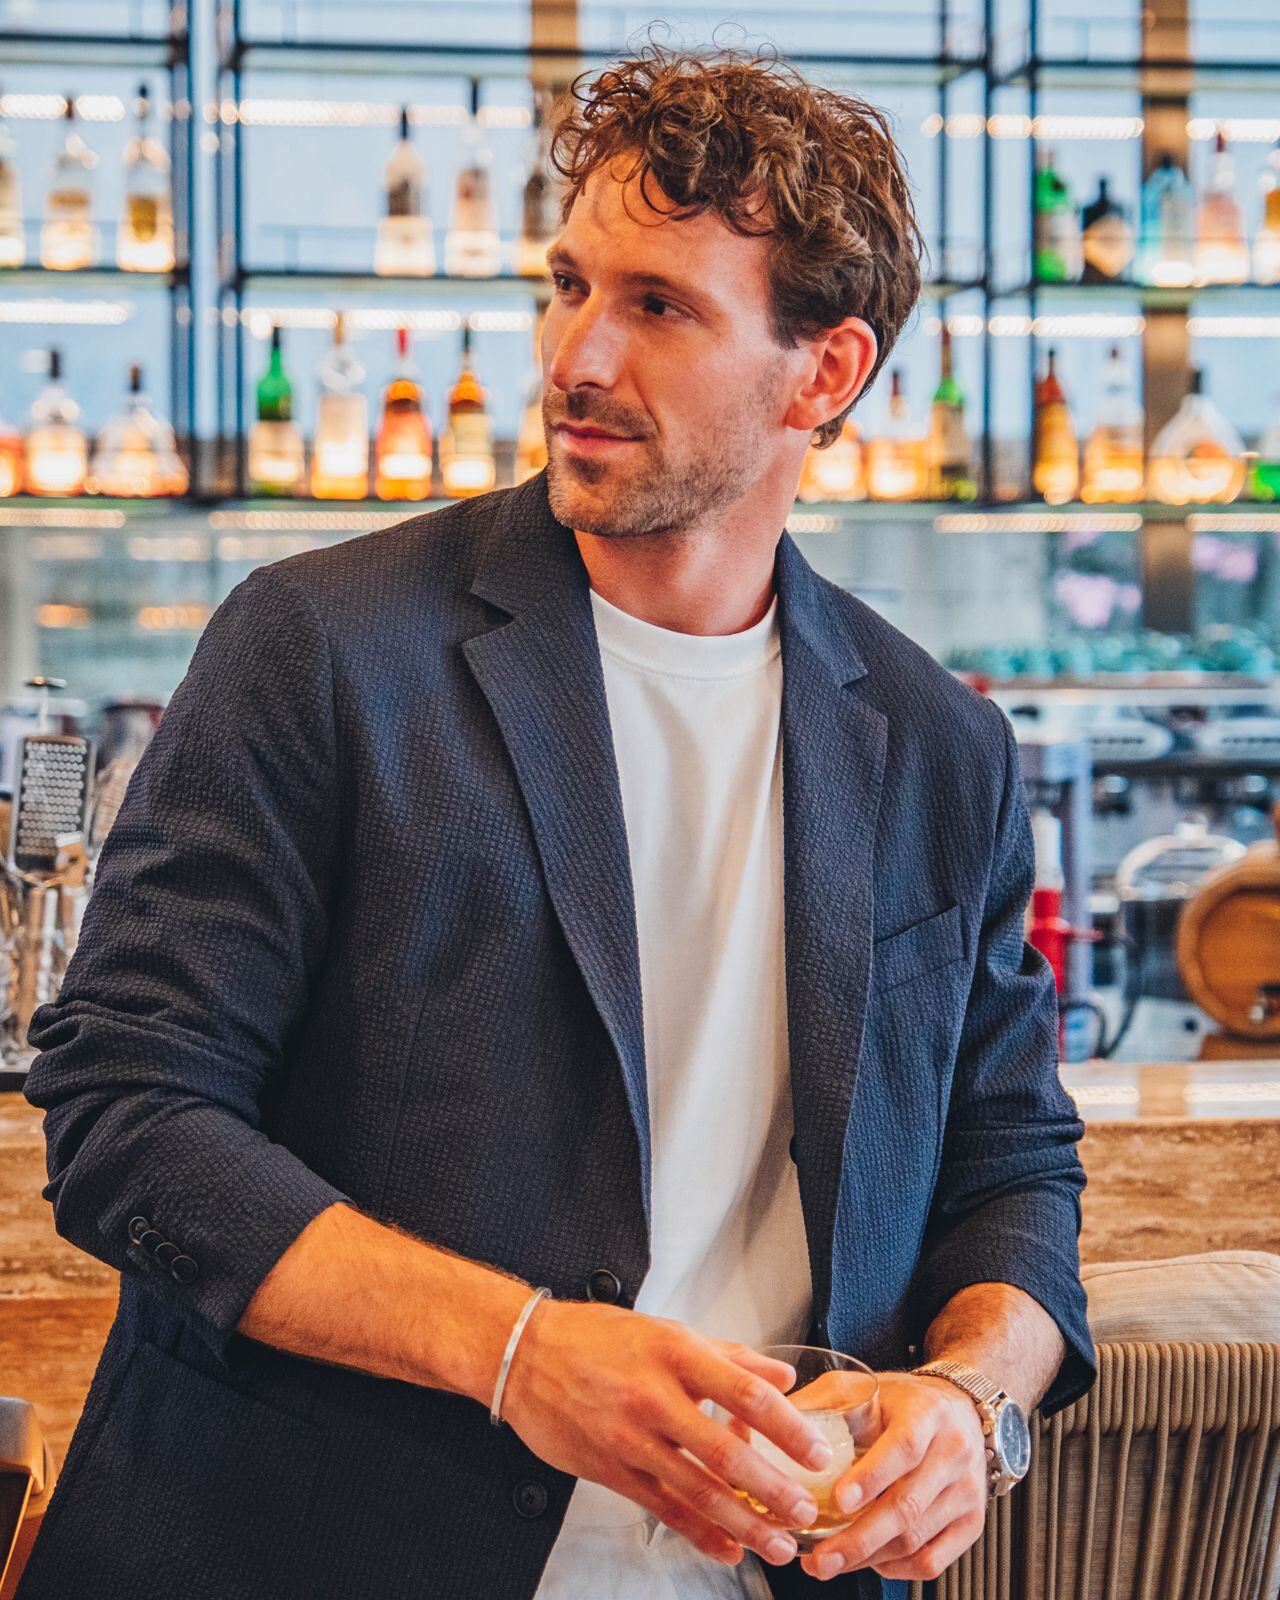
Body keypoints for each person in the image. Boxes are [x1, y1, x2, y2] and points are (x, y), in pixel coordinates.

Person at [17, 44, 1094, 1600]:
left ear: (825, 374)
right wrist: (517, 1350)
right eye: (570, 285)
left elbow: (1012, 1164)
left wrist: (971, 1398)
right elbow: (128, 1113)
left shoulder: (941, 747)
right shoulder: (320, 648)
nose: (577, 355)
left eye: (660, 306)